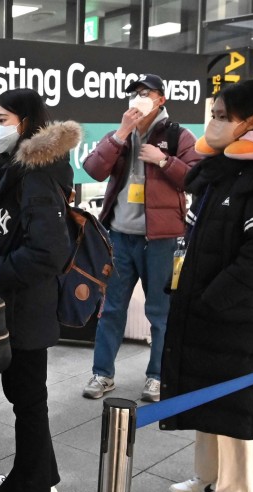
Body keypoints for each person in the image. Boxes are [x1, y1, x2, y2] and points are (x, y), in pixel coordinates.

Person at [160, 79, 253, 492]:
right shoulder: (222, 167)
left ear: (251, 122)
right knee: (207, 396)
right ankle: (210, 478)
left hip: (242, 316)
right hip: (207, 308)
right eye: (211, 113)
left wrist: (213, 299)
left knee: (239, 405)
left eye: (220, 116)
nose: (210, 123)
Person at [0, 88, 81, 492]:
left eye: (5, 119)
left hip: (24, 305)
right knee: (28, 396)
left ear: (28, 122)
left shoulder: (36, 171)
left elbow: (48, 251)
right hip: (19, 303)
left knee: (28, 397)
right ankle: (41, 475)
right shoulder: (15, 168)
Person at [82, 74, 201, 403]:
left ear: (161, 99)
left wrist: (163, 160)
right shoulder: (120, 135)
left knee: (161, 311)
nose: (137, 98)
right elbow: (92, 169)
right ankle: (102, 374)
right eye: (133, 93)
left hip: (162, 239)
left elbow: (196, 178)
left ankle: (157, 377)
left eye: (144, 93)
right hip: (120, 236)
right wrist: (120, 134)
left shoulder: (178, 136)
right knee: (111, 309)